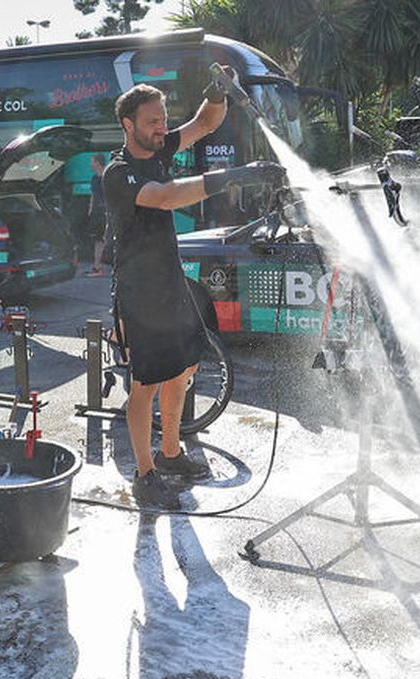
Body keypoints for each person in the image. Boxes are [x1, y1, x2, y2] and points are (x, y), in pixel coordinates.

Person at [101, 72, 285, 510]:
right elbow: (165, 197)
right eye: (152, 121)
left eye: (163, 119)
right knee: (144, 384)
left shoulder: (160, 147)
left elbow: (204, 123)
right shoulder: (119, 173)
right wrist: (234, 175)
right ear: (128, 124)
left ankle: (170, 454)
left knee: (182, 370)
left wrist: (216, 91)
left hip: (171, 281)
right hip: (138, 292)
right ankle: (144, 475)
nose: (161, 128)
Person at [85, 154, 108, 276]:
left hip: (105, 212)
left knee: (102, 240)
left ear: (98, 163)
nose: (90, 164)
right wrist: (90, 210)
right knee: (98, 240)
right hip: (96, 213)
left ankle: (98, 268)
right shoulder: (94, 178)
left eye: (92, 161)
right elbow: (93, 195)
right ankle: (97, 267)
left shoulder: (108, 177)